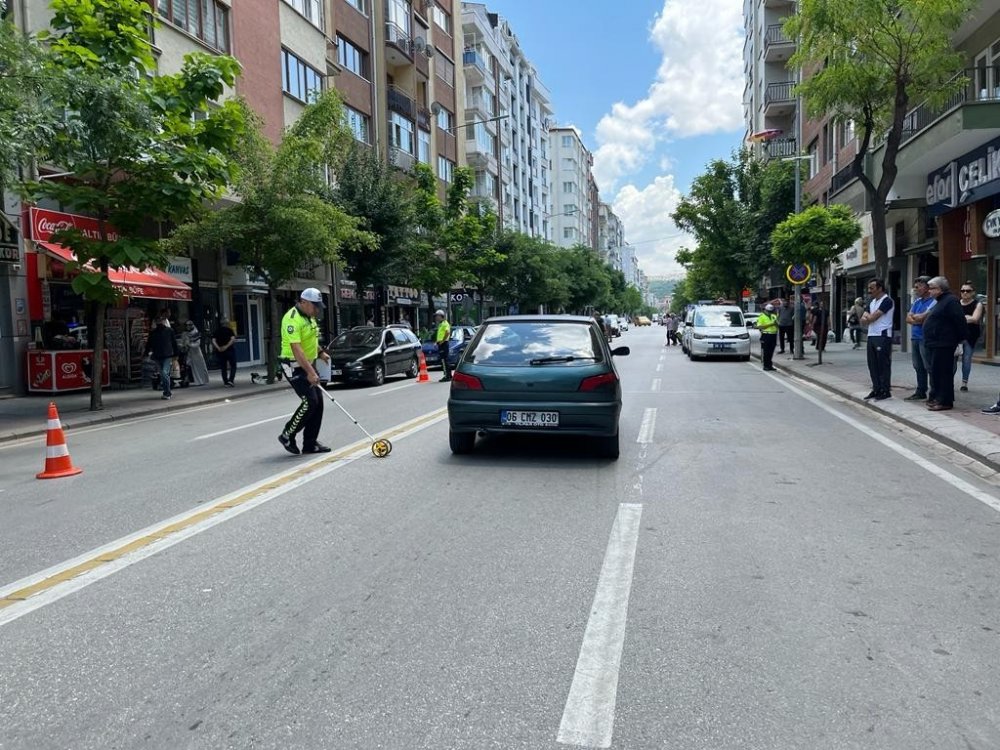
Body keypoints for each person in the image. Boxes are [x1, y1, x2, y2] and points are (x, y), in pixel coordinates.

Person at [277, 288, 332, 455]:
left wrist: (321, 352)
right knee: (310, 401)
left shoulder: (309, 318)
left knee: (319, 403)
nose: (317, 310)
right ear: (304, 302)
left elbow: (310, 340)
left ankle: (310, 443)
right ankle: (287, 434)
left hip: (307, 363)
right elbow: (296, 348)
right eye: (314, 306)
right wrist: (310, 372)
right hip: (294, 365)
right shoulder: (291, 319)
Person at [922, 276, 968, 412]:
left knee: (943, 373)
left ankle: (945, 401)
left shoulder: (951, 301)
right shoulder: (940, 301)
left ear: (940, 289)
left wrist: (959, 340)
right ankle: (937, 397)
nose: (929, 291)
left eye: (932, 288)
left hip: (944, 343)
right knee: (936, 372)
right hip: (935, 343)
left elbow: (960, 321)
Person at [861, 278, 894, 400]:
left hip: (882, 335)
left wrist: (868, 318)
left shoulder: (887, 301)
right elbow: (863, 318)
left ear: (880, 288)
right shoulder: (872, 302)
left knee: (882, 364)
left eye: (872, 288)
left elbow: (872, 317)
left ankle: (885, 390)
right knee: (872, 364)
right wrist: (868, 318)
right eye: (869, 288)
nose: (869, 291)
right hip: (871, 335)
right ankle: (876, 388)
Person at [903, 276, 935, 402]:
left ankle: (933, 392)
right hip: (915, 338)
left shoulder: (933, 301)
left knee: (929, 366)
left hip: (925, 338)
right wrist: (916, 319)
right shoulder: (917, 302)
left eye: (919, 286)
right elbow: (908, 318)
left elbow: (923, 319)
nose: (916, 289)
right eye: (915, 286)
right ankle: (921, 391)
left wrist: (916, 319)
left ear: (927, 287)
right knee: (918, 366)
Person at [145, 311, 179, 400]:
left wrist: (176, 355)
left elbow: (174, 343)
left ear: (164, 321)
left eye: (161, 320)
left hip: (167, 355)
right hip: (157, 356)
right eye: (158, 320)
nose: (159, 322)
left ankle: (167, 392)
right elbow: (149, 344)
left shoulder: (169, 331)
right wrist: (146, 353)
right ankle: (167, 391)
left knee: (164, 373)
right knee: (163, 374)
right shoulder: (153, 333)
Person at [958, 281, 985, 392]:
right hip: (956, 335)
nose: (965, 293)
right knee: (952, 359)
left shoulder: (977, 304)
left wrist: (960, 318)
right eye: (962, 290)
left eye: (968, 291)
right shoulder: (956, 303)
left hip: (970, 336)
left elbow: (975, 319)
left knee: (966, 359)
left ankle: (964, 382)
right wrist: (966, 318)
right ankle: (948, 380)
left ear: (973, 293)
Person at [180, 320, 209, 386]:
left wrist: (189, 344)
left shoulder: (195, 332)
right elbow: (183, 342)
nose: (188, 326)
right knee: (186, 366)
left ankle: (201, 380)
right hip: (188, 353)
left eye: (189, 325)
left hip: (196, 353)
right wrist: (183, 345)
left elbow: (197, 344)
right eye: (187, 325)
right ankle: (187, 379)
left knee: (199, 367)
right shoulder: (184, 334)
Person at [212, 318, 237, 387]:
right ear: (227, 323)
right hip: (230, 350)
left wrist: (218, 348)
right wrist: (226, 346)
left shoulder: (217, 331)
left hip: (220, 352)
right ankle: (231, 380)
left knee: (223, 367)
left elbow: (213, 341)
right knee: (233, 365)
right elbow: (232, 339)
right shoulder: (230, 330)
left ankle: (225, 382)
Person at [757, 303, 779, 371]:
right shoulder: (761, 316)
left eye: (771, 311)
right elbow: (760, 326)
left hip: (773, 335)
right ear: (765, 310)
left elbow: (778, 325)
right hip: (766, 335)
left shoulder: (773, 316)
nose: (770, 312)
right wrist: (771, 324)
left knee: (771, 351)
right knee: (766, 351)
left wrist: (776, 324)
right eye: (768, 311)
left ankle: (770, 365)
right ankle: (765, 365)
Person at [434, 309, 452, 382]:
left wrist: (442, 341)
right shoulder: (441, 324)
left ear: (441, 316)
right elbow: (441, 334)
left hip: (444, 344)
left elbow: (447, 332)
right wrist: (437, 342)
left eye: (437, 316)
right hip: (441, 343)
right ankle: (449, 375)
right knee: (444, 360)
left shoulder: (445, 323)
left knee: (444, 360)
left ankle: (447, 376)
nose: (436, 318)